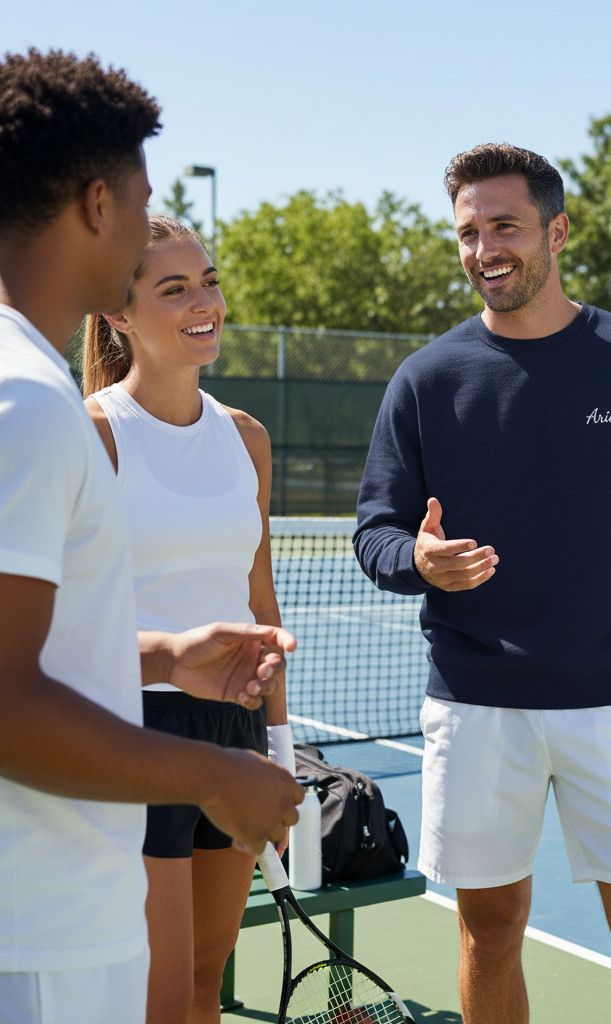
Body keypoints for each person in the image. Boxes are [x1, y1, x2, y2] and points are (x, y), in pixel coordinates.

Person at [353, 143, 611, 1024]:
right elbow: (375, 532)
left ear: (558, 231)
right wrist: (416, 562)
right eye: (467, 231)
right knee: (490, 934)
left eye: (504, 225)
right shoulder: (425, 379)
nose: (483, 248)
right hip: (474, 706)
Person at [0, 49, 302, 1024]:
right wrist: (215, 773)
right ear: (98, 205)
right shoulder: (37, 406)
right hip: (43, 923)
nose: (145, 226)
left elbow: (40, 652)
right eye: (141, 202)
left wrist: (169, 655)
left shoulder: (26, 389)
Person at [81, 214, 295, 1024]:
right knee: (157, 998)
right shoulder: (92, 435)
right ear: (119, 312)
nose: (205, 300)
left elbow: (261, 607)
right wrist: (169, 658)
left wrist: (280, 757)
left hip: (236, 737)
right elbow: (53, 634)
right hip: (132, 735)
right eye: (174, 288)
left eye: (208, 280)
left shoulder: (247, 438)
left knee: (204, 980)